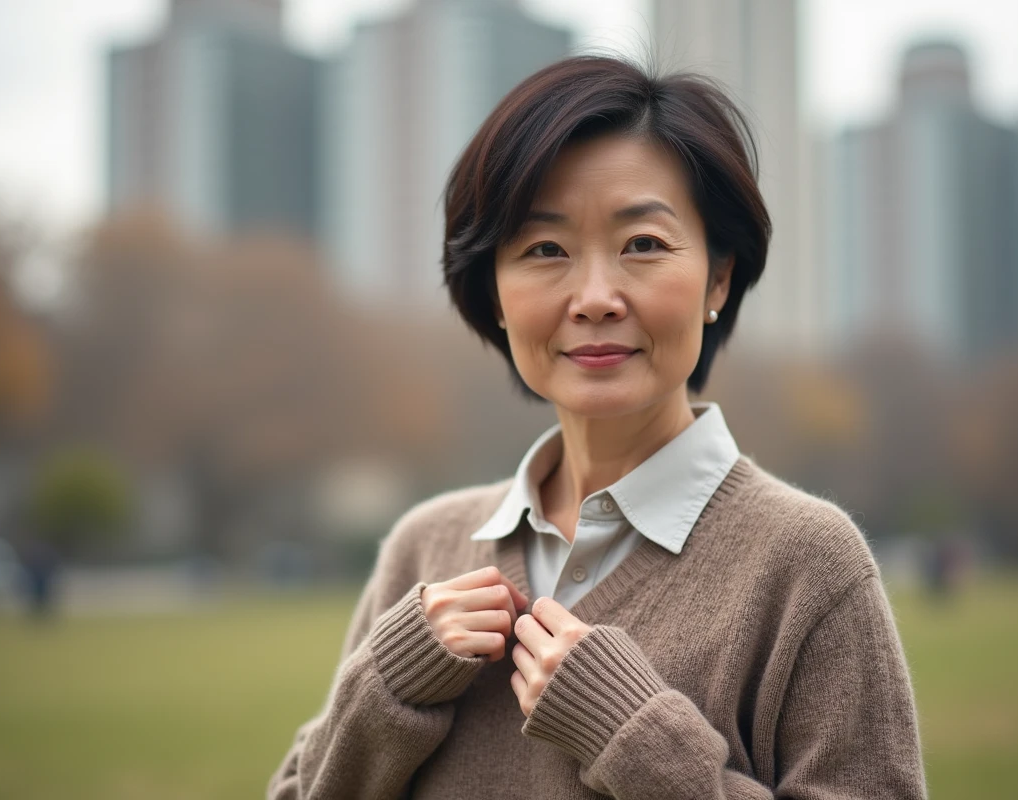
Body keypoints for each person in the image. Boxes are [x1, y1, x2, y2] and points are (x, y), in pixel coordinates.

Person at [267, 55, 927, 799]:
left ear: (718, 276)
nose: (594, 297)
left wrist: (636, 739)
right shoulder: (425, 546)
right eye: (545, 250)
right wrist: (386, 688)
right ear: (494, 294)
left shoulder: (810, 566)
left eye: (642, 244)